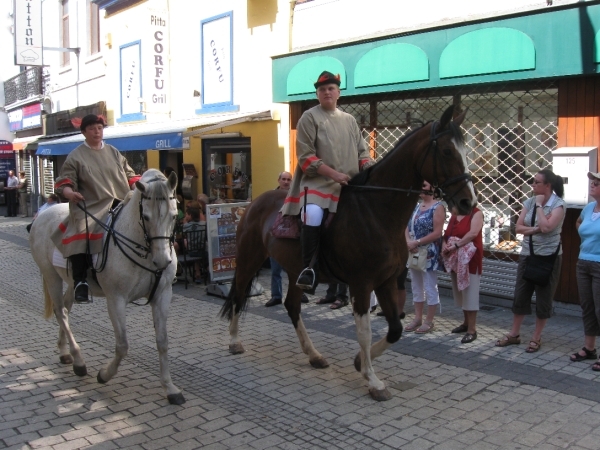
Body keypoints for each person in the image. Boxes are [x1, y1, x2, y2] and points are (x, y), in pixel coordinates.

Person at [281, 71, 374, 292]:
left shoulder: (350, 120)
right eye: (322, 89)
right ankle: (308, 269)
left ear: (338, 92)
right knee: (312, 214)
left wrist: (371, 168)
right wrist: (334, 175)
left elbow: (363, 154)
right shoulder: (309, 117)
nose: (326, 92)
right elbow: (306, 157)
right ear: (317, 94)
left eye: (331, 88)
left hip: (349, 185)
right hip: (317, 184)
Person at [52, 114, 140, 303]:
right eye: (92, 128)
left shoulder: (113, 152)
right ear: (84, 132)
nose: (96, 131)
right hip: (90, 205)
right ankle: (80, 281)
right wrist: (69, 193)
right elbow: (65, 181)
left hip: (120, 201)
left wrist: (139, 186)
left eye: (99, 128)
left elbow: (129, 174)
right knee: (81, 231)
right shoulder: (76, 156)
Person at [496, 169, 565, 353]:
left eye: (536, 182)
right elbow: (518, 228)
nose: (532, 185)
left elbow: (548, 227)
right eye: (532, 182)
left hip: (549, 257)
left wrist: (541, 207)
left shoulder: (558, 205)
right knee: (521, 294)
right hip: (528, 254)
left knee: (544, 298)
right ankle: (514, 334)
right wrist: (536, 229)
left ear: (547, 185)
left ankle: (536, 337)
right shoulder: (529, 201)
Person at [404, 181, 446, 334]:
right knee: (416, 285)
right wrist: (409, 241)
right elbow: (406, 226)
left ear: (433, 188)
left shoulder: (438, 207)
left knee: (430, 285)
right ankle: (417, 317)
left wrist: (417, 242)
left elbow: (437, 232)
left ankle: (429, 320)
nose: (421, 189)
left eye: (424, 186)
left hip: (429, 252)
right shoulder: (416, 206)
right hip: (414, 250)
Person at [569, 171, 600, 370]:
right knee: (587, 307)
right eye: (592, 182)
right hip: (583, 262)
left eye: (597, 183)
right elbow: (578, 223)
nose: (592, 185)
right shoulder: (589, 208)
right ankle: (589, 348)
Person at [442, 205, 484, 344]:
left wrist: (455, 245)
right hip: (456, 259)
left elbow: (473, 233)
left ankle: (472, 330)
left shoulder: (476, 213)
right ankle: (465, 323)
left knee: (470, 292)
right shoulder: (455, 215)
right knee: (461, 292)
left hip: (470, 260)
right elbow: (446, 234)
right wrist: (444, 245)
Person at [266, 171, 308, 306]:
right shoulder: (271, 196)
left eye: (288, 180)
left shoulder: (296, 194)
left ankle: (300, 293)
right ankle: (276, 296)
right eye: (283, 179)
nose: (286, 182)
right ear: (278, 180)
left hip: (292, 237)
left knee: (295, 268)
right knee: (275, 270)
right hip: (276, 237)